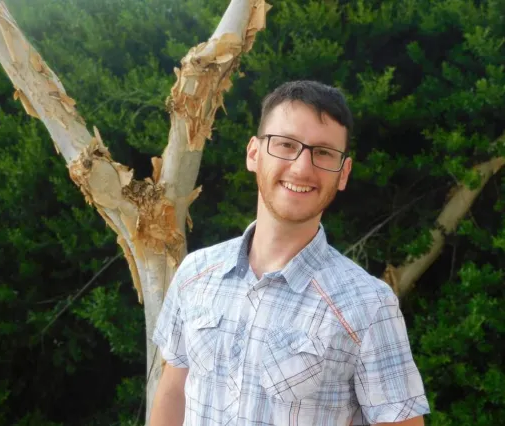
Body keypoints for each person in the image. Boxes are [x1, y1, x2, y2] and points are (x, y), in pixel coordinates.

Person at [150, 81, 430, 426]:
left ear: (343, 174)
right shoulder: (195, 274)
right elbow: (173, 393)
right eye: (285, 144)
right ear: (254, 153)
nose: (301, 168)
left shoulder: (368, 306)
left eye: (324, 152)